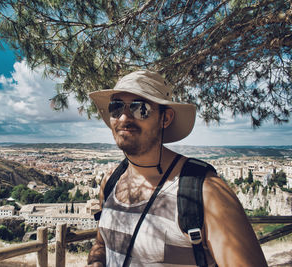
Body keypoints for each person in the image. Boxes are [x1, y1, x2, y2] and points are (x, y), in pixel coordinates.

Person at [86, 70, 267, 267]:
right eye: (116, 107)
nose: (123, 118)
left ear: (166, 118)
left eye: (140, 108)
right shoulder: (111, 181)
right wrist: (96, 261)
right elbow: (102, 243)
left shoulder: (206, 192)